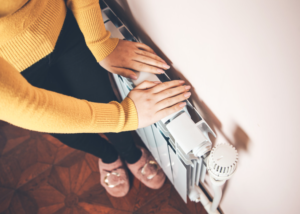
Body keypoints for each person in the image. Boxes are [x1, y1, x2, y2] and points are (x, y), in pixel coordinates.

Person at [0, 0, 191, 197]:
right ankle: (108, 157)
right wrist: (124, 117)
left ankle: (131, 154)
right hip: (13, 72)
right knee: (67, 131)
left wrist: (99, 43)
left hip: (62, 27)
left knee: (103, 101)